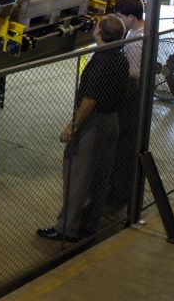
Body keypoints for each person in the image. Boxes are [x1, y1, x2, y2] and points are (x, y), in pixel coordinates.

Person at [38, 15, 129, 242]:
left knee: (77, 176)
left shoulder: (100, 61)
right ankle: (90, 223)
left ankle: (66, 228)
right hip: (112, 121)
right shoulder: (120, 56)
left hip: (95, 123)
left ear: (99, 34)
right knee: (100, 175)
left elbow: (90, 100)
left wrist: (73, 126)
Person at [106, 0, 144, 211]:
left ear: (131, 17)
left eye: (120, 17)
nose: (118, 20)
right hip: (130, 100)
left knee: (123, 150)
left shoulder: (137, 41)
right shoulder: (134, 32)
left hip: (129, 102)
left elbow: (133, 74)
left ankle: (118, 196)